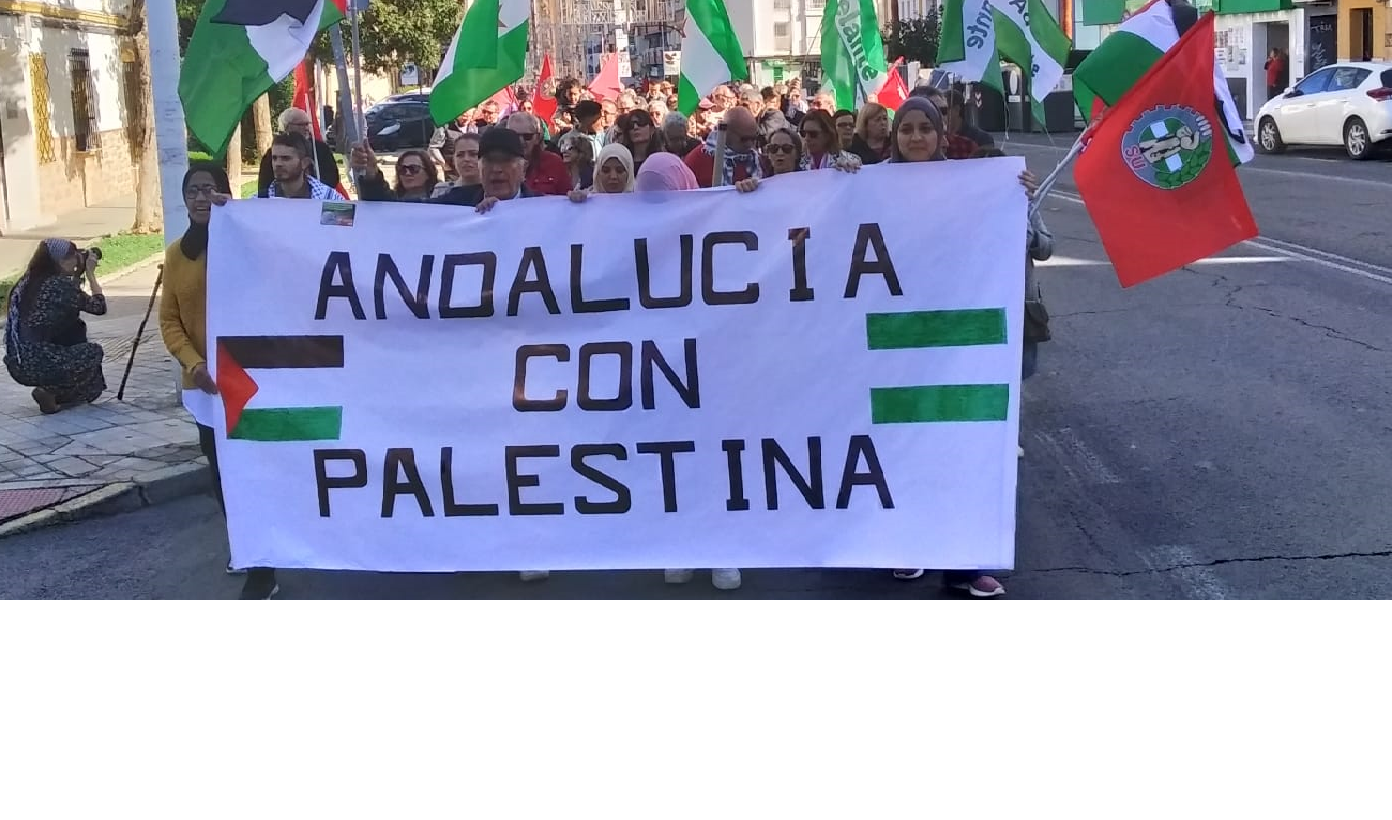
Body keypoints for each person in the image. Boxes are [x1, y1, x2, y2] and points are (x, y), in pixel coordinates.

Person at [883, 96, 1036, 596]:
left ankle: (964, 563)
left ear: (940, 134)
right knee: (904, 448)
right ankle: (910, 544)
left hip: (960, 336)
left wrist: (1018, 201)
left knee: (960, 447)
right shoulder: (869, 185)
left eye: (925, 128)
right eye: (906, 129)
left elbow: (1035, 245)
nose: (916, 137)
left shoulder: (975, 183)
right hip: (895, 340)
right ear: (894, 136)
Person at [159, 163, 279, 599]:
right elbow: (170, 321)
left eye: (209, 189)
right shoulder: (177, 255)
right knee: (222, 472)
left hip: (252, 380)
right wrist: (194, 365)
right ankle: (248, 548)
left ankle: (265, 560)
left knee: (255, 468)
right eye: (193, 190)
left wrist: (241, 218)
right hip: (206, 387)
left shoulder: (249, 245)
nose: (200, 198)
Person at [972, 147, 1054, 391]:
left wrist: (1029, 233)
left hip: (1019, 310)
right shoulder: (964, 209)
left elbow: (1046, 249)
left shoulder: (1023, 203)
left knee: (1019, 375)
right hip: (979, 308)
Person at [3, 238, 106, 414]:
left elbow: (66, 301)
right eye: (72, 256)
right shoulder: (58, 285)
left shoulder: (26, 283)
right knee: (93, 352)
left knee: (73, 330)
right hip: (38, 362)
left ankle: (53, 395)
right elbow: (99, 307)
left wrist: (75, 275)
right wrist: (90, 274)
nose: (76, 259)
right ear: (59, 261)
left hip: (17, 363)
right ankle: (51, 391)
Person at [352, 127, 537, 213]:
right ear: (480, 167)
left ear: (524, 169)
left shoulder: (545, 210)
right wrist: (371, 175)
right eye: (489, 161)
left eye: (505, 161)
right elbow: (396, 210)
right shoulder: (456, 203)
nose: (496, 169)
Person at [257, 107, 340, 194]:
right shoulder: (273, 153)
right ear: (287, 126)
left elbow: (332, 177)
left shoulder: (320, 149)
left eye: (307, 124)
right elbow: (264, 185)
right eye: (301, 124)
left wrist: (315, 191)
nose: (307, 128)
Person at [682, 105, 762, 187]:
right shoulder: (698, 159)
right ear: (726, 133)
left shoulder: (757, 161)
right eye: (744, 139)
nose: (750, 144)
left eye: (754, 138)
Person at [262, 133, 347, 200]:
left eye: (286, 158)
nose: (278, 164)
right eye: (274, 158)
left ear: (305, 163)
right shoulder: (260, 200)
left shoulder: (329, 198)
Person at [507, 112, 570, 195]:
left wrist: (576, 196)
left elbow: (567, 195)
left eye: (527, 136)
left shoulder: (554, 163)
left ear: (537, 138)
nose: (521, 141)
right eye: (515, 136)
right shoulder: (499, 166)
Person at [432, 132, 483, 196]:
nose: (466, 159)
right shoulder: (441, 191)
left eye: (473, 154)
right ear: (453, 159)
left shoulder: (493, 191)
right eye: (460, 155)